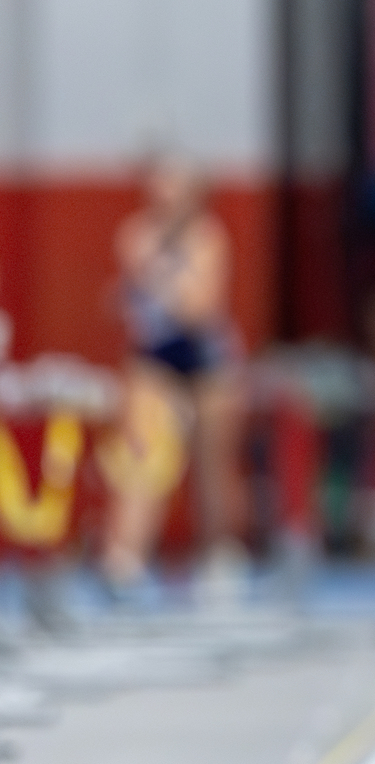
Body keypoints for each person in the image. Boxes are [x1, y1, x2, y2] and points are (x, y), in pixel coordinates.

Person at [104, 156, 247, 594]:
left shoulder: (209, 238)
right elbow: (130, 299)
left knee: (213, 463)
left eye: (175, 188)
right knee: (144, 454)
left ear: (194, 194)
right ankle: (124, 559)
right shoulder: (136, 233)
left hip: (208, 359)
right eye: (159, 188)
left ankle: (220, 554)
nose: (165, 197)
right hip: (157, 355)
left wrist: (158, 284)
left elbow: (200, 310)